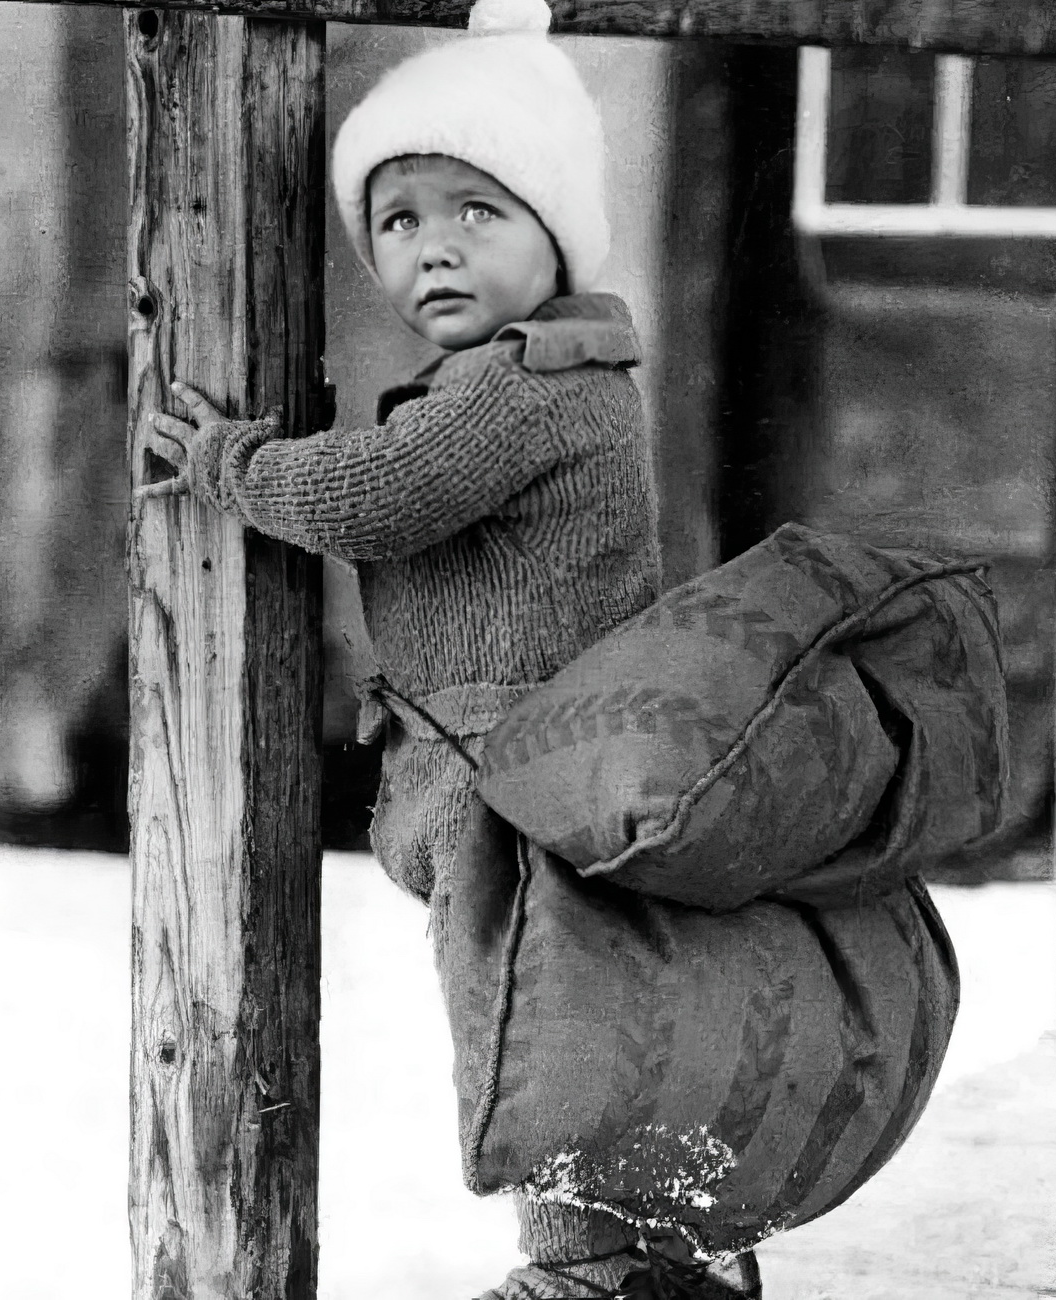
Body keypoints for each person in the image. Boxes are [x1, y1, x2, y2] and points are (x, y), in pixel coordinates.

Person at [140, 0, 760, 1294]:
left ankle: (590, 1266)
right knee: (577, 1015)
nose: (434, 248)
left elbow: (376, 492)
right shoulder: (537, 375)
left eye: (478, 211)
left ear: (556, 231)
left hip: (525, 780)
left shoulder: (529, 383)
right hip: (524, 773)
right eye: (398, 220)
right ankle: (665, 1259)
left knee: (534, 1028)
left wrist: (227, 461)